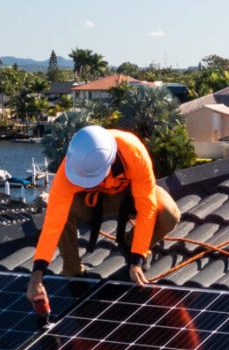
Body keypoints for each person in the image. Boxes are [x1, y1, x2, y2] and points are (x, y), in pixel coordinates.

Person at [26, 124, 181, 304]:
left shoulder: (133, 152)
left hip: (131, 196)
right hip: (94, 201)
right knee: (64, 213)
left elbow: (146, 207)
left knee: (170, 214)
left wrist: (137, 258)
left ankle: (131, 246)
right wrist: (36, 276)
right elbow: (53, 223)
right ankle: (73, 272)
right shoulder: (72, 167)